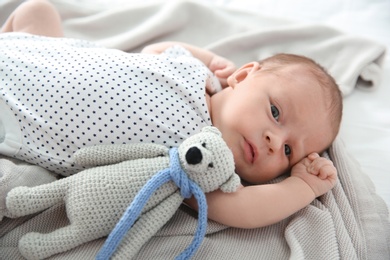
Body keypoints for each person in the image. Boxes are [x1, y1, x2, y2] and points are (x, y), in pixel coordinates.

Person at [0, 0, 342, 228]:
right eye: (275, 112)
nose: (273, 140)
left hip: (20, 113)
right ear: (240, 76)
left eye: (288, 151)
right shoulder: (197, 72)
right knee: (38, 8)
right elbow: (155, 51)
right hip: (49, 55)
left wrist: (303, 187)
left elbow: (240, 210)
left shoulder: (201, 162)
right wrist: (210, 60)